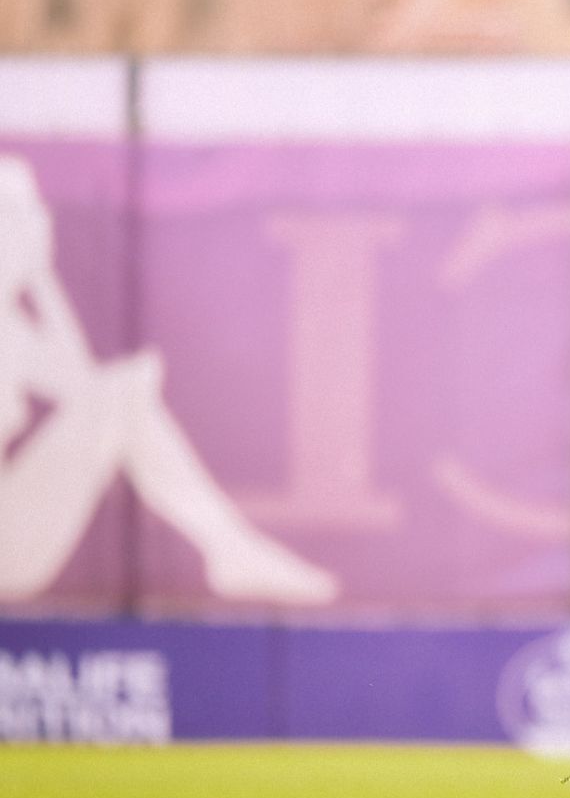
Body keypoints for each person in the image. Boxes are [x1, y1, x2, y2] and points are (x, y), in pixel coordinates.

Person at [0, 156, 335, 605]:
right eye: (21, 214)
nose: (39, 225)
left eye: (36, 212)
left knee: (121, 397)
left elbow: (80, 387)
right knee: (121, 394)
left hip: (17, 538)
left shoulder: (12, 328)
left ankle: (230, 550)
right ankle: (230, 549)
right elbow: (96, 397)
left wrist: (40, 277)